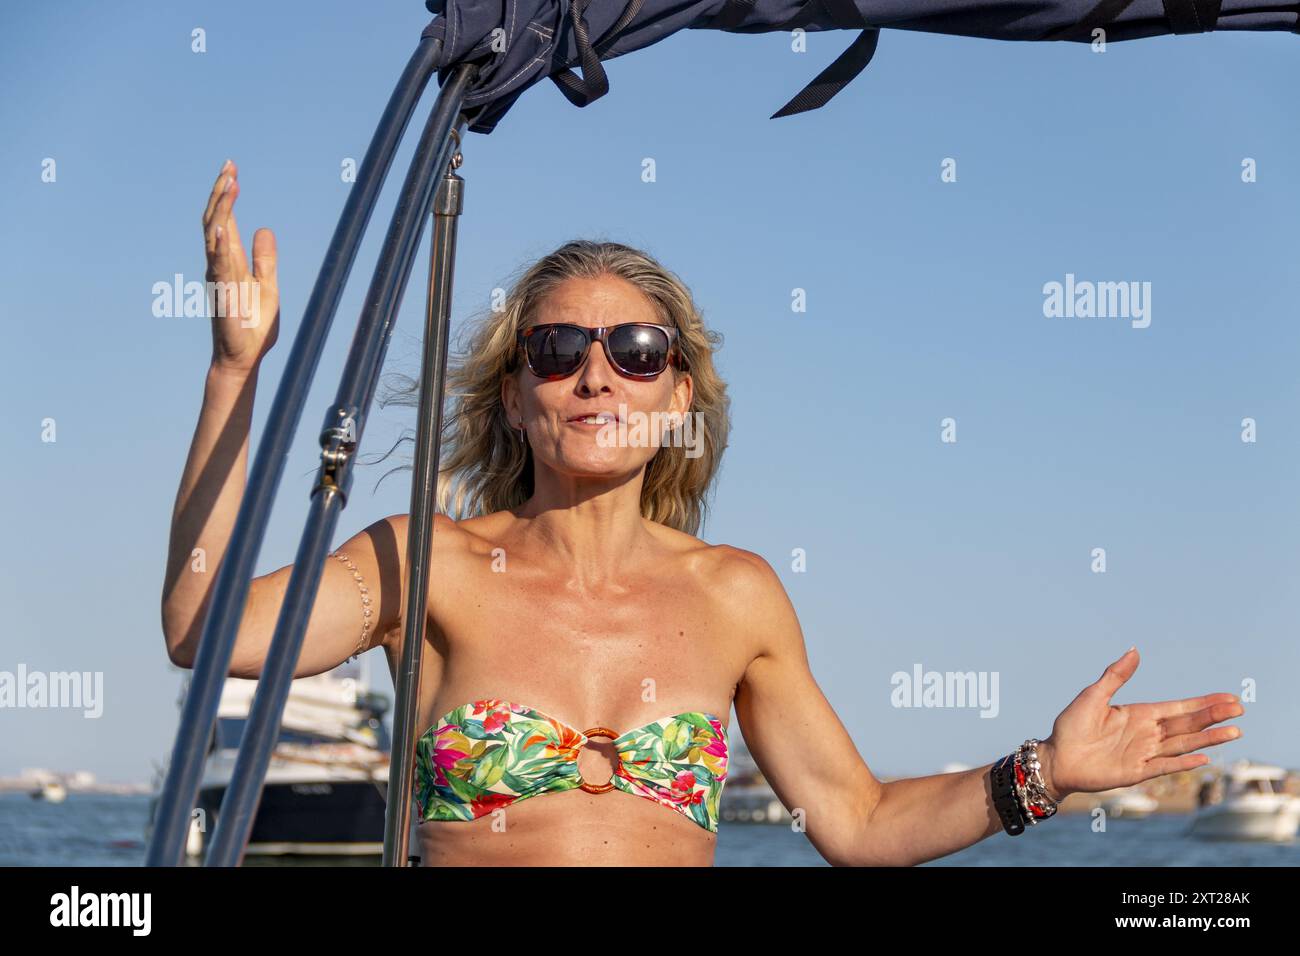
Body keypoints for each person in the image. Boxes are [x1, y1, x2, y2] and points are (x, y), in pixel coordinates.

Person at [161, 159, 1246, 866]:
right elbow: (207, 631)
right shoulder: (425, 561)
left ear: (678, 396)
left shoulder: (734, 594)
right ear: (515, 396)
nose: (596, 376)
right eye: (557, 349)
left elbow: (857, 821)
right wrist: (232, 372)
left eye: (636, 352)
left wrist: (1045, 772)